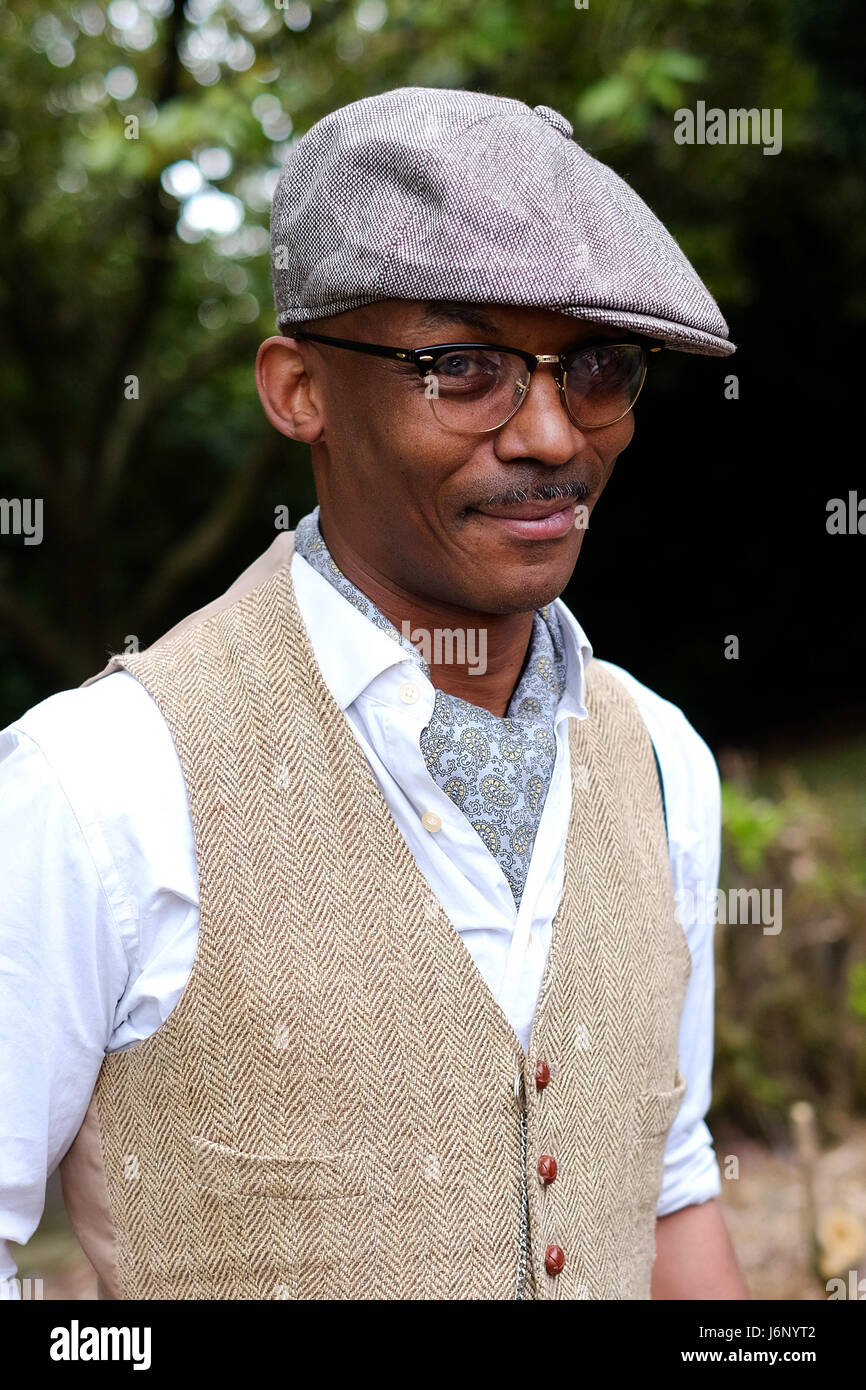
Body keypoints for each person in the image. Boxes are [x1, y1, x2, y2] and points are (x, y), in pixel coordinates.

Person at [0, 86, 749, 1300]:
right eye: (461, 367)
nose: (553, 436)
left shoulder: (662, 760)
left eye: (596, 367)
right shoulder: (99, 786)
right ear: (298, 389)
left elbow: (662, 1175)